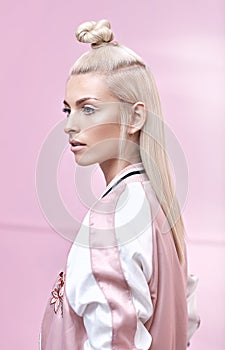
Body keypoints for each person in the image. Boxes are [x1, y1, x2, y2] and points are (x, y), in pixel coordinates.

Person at [40, 19, 200, 350]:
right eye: (67, 110)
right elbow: (183, 324)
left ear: (136, 118)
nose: (70, 126)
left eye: (88, 109)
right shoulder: (156, 205)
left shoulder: (113, 221)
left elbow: (113, 341)